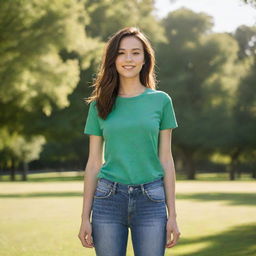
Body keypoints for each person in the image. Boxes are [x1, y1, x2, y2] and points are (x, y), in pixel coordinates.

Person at [78, 26, 181, 256]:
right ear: (113, 59)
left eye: (136, 52)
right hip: (107, 199)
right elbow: (94, 162)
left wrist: (172, 215)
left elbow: (166, 159)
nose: (128, 59)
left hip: (151, 200)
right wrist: (85, 217)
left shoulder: (161, 101)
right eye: (121, 53)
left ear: (145, 59)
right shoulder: (99, 105)